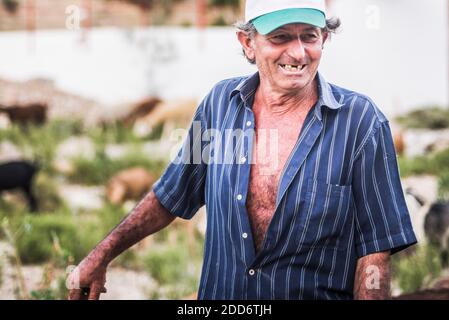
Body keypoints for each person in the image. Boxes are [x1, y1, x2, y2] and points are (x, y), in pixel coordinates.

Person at [68, 0, 417, 300]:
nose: (297, 52)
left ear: (324, 38)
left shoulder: (361, 124)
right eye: (280, 37)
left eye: (309, 36)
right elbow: (169, 195)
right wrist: (102, 254)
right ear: (247, 43)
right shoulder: (220, 107)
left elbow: (375, 250)